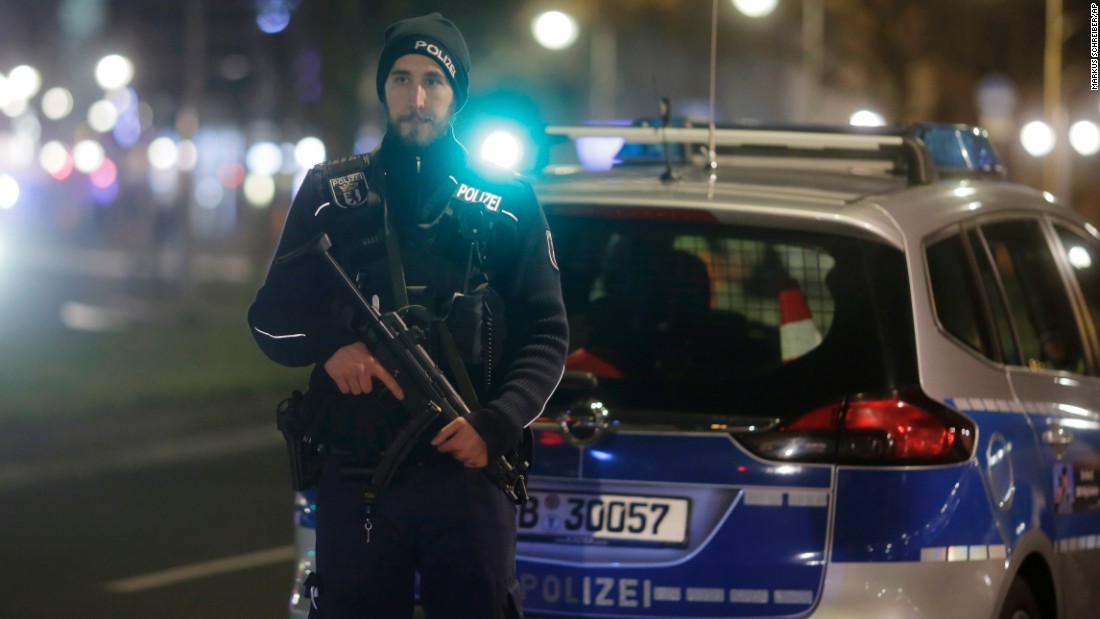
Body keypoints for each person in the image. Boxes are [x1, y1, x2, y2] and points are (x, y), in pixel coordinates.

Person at [247, 12, 568, 618]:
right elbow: (268, 318)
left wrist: (496, 425)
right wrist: (329, 347)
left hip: (468, 468)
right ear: (383, 88)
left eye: (433, 81)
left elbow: (547, 334)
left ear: (456, 95)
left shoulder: (508, 201)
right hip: (359, 472)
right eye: (400, 79)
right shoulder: (331, 194)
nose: (415, 98)